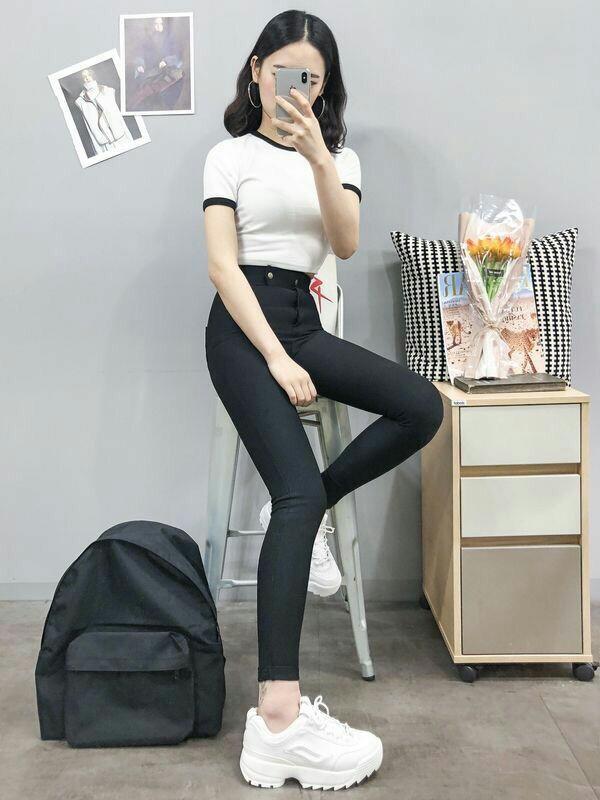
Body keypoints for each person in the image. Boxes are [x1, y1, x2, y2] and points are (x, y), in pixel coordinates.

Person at [202, 10, 444, 791]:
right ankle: (277, 720)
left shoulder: (339, 157)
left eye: (311, 77)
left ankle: (304, 515)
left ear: (324, 86)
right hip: (243, 331)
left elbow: (343, 243)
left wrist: (316, 158)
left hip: (304, 321)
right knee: (298, 491)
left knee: (421, 407)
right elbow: (222, 268)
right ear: (256, 71)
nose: (296, 87)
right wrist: (274, 358)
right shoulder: (228, 156)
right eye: (283, 71)